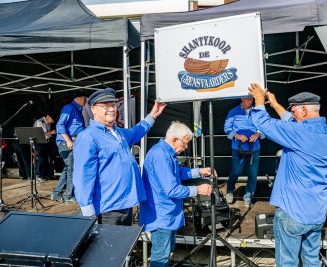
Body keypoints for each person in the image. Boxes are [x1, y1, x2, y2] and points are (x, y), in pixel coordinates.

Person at [248, 83, 327, 267]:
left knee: (287, 263)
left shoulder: (299, 133)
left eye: (295, 110)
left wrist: (258, 99)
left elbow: (262, 123)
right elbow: (292, 121)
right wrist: (274, 104)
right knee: (312, 261)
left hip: (293, 213)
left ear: (304, 110)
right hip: (316, 214)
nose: (293, 114)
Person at [73, 87, 166, 225]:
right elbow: (83, 176)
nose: (111, 109)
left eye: (113, 105)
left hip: (126, 204)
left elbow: (136, 132)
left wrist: (152, 115)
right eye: (105, 105)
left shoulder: (117, 132)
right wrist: (87, 210)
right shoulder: (88, 137)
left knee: (123, 246)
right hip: (108, 209)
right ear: (93, 109)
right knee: (109, 246)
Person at [139, 121, 213, 267]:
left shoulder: (166, 152)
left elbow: (177, 172)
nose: (185, 148)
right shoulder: (161, 155)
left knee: (166, 254)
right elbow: (172, 189)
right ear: (174, 139)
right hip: (161, 216)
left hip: (167, 214)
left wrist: (199, 171)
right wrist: (198, 189)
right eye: (184, 144)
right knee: (160, 257)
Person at [224, 97, 265, 207]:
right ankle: (230, 191)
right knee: (236, 171)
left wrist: (257, 134)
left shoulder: (257, 112)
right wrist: (237, 135)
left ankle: (248, 196)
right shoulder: (233, 111)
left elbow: (264, 127)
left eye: (251, 99)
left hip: (254, 148)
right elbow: (227, 128)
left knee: (253, 174)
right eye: (247, 99)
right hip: (238, 148)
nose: (249, 101)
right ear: (242, 99)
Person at [50, 92, 87, 202]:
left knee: (68, 169)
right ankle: (68, 196)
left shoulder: (78, 110)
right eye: (84, 98)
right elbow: (60, 125)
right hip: (67, 144)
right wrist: (68, 140)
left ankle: (56, 193)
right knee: (72, 170)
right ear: (78, 98)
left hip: (74, 144)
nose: (86, 101)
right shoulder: (69, 108)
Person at [33, 114, 56, 180]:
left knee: (45, 159)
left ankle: (43, 174)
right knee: (41, 158)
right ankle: (38, 174)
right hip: (40, 142)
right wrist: (51, 132)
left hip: (46, 142)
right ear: (48, 116)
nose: (52, 122)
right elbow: (40, 134)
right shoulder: (39, 122)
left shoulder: (47, 122)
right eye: (51, 120)